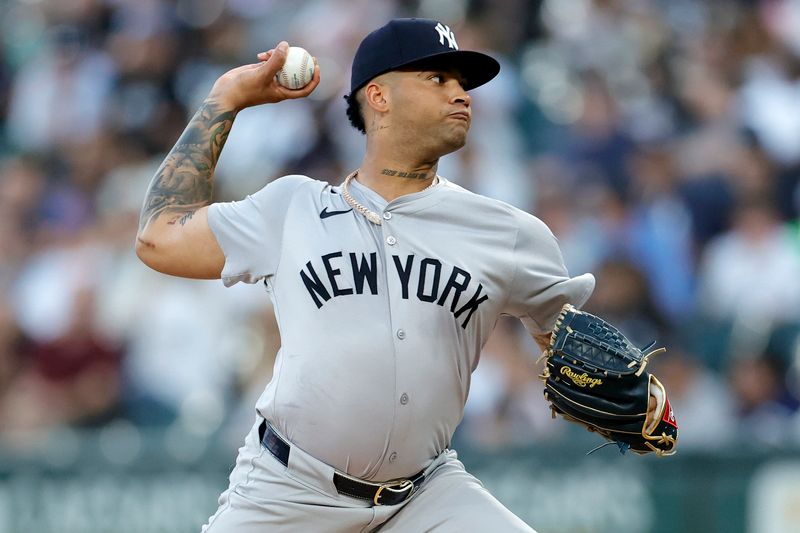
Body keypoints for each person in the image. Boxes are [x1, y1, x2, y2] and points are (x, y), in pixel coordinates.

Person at [135, 18, 594, 532]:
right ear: (378, 96)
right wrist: (225, 99)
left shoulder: (507, 232)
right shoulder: (291, 208)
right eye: (438, 78)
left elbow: (574, 344)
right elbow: (158, 238)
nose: (461, 94)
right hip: (288, 492)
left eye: (462, 83)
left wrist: (644, 401)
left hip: (427, 495)